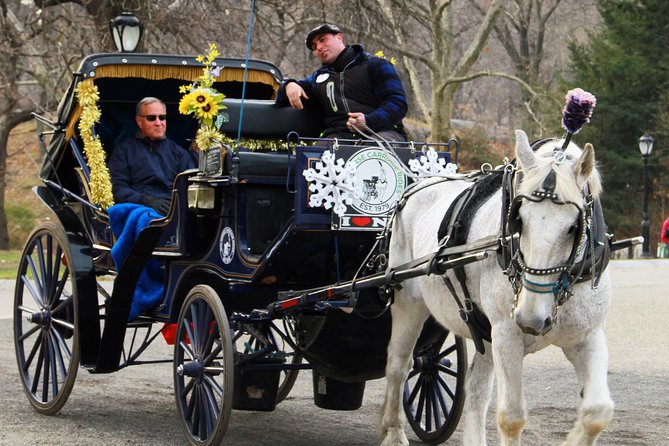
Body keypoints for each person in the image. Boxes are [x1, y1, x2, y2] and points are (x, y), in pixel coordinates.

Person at [276, 24, 408, 140]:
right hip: (337, 138)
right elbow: (282, 98)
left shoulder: (376, 65)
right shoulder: (318, 79)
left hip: (383, 132)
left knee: (371, 153)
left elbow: (398, 103)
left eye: (323, 40)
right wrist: (289, 85)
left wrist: (368, 121)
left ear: (339, 37)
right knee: (311, 161)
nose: (319, 48)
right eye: (314, 46)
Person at [108, 97, 196, 215]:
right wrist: (146, 201)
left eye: (162, 117)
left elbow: (190, 187)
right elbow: (118, 188)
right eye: (151, 118)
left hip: (172, 210)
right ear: (139, 121)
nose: (158, 123)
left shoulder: (179, 153)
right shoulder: (124, 151)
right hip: (139, 208)